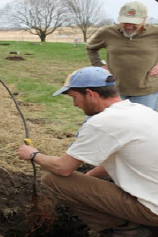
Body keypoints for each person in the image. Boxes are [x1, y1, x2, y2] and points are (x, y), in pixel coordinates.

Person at [18, 66, 158, 237]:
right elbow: (123, 159)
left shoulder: (103, 122)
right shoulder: (141, 111)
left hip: (153, 210)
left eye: (75, 98)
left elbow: (63, 168)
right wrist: (88, 179)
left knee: (53, 180)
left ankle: (126, 231)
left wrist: (33, 154)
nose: (75, 104)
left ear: (90, 94)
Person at [86, 1, 158, 111]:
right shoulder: (107, 32)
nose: (129, 26)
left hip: (146, 92)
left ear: (144, 20)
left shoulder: (155, 33)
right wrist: (98, 65)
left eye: (134, 23)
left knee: (141, 125)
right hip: (114, 91)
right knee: (113, 124)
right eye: (125, 22)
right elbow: (91, 48)